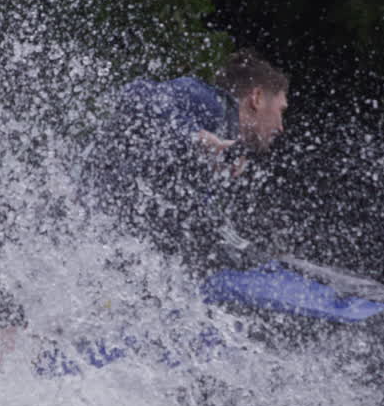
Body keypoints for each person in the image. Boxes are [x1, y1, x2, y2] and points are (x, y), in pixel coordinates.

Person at [82, 48, 290, 259]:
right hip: (89, 219)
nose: (281, 127)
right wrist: (198, 139)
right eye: (281, 110)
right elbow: (136, 95)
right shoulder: (212, 103)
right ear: (257, 98)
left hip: (107, 237)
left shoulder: (225, 138)